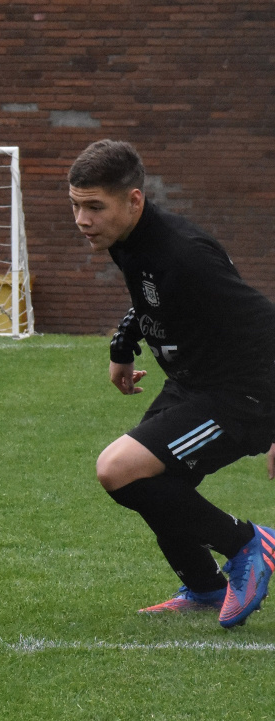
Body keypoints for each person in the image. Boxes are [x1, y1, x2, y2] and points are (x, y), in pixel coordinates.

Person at [68, 139, 275, 628]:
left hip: (241, 396)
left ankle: (249, 543)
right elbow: (152, 299)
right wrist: (123, 345)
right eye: (75, 206)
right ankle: (205, 587)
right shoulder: (129, 241)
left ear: (134, 200)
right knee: (156, 483)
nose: (82, 220)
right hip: (194, 383)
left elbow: (266, 329)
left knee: (118, 469)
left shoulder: (184, 255)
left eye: (94, 207)